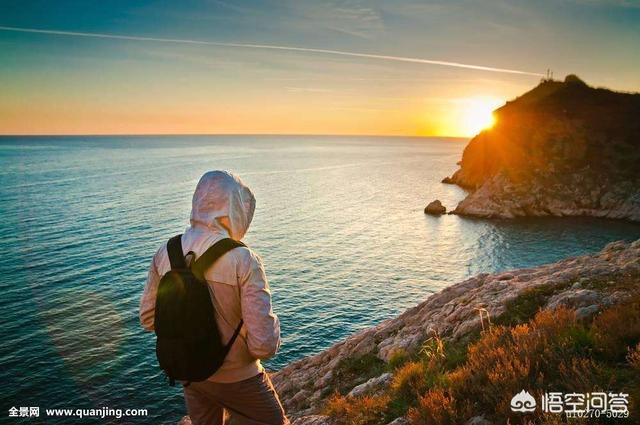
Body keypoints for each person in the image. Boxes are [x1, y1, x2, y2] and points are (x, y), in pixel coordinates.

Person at [139, 170, 288, 425]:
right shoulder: (244, 259)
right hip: (238, 378)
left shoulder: (165, 252)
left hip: (190, 372)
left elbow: (148, 319)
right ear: (235, 208)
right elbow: (263, 345)